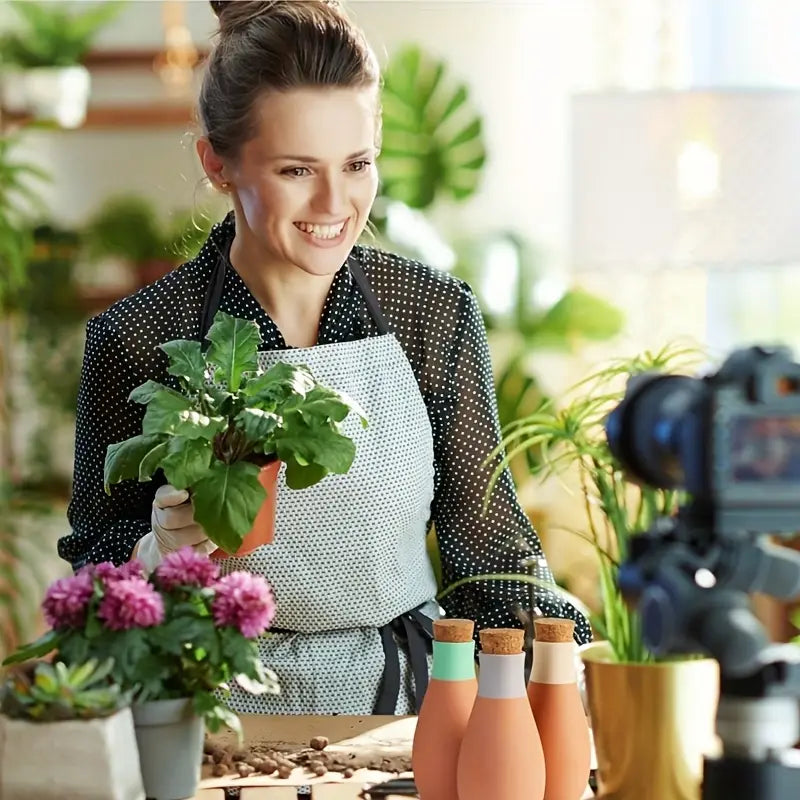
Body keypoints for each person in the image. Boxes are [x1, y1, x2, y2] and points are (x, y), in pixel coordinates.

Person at [58, 0, 590, 715]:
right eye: (296, 169)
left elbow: (489, 553)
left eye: (358, 163)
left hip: (403, 712)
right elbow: (95, 567)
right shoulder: (141, 333)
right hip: (205, 714)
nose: (336, 203)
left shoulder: (430, 313)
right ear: (217, 163)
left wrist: (571, 675)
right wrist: (157, 550)